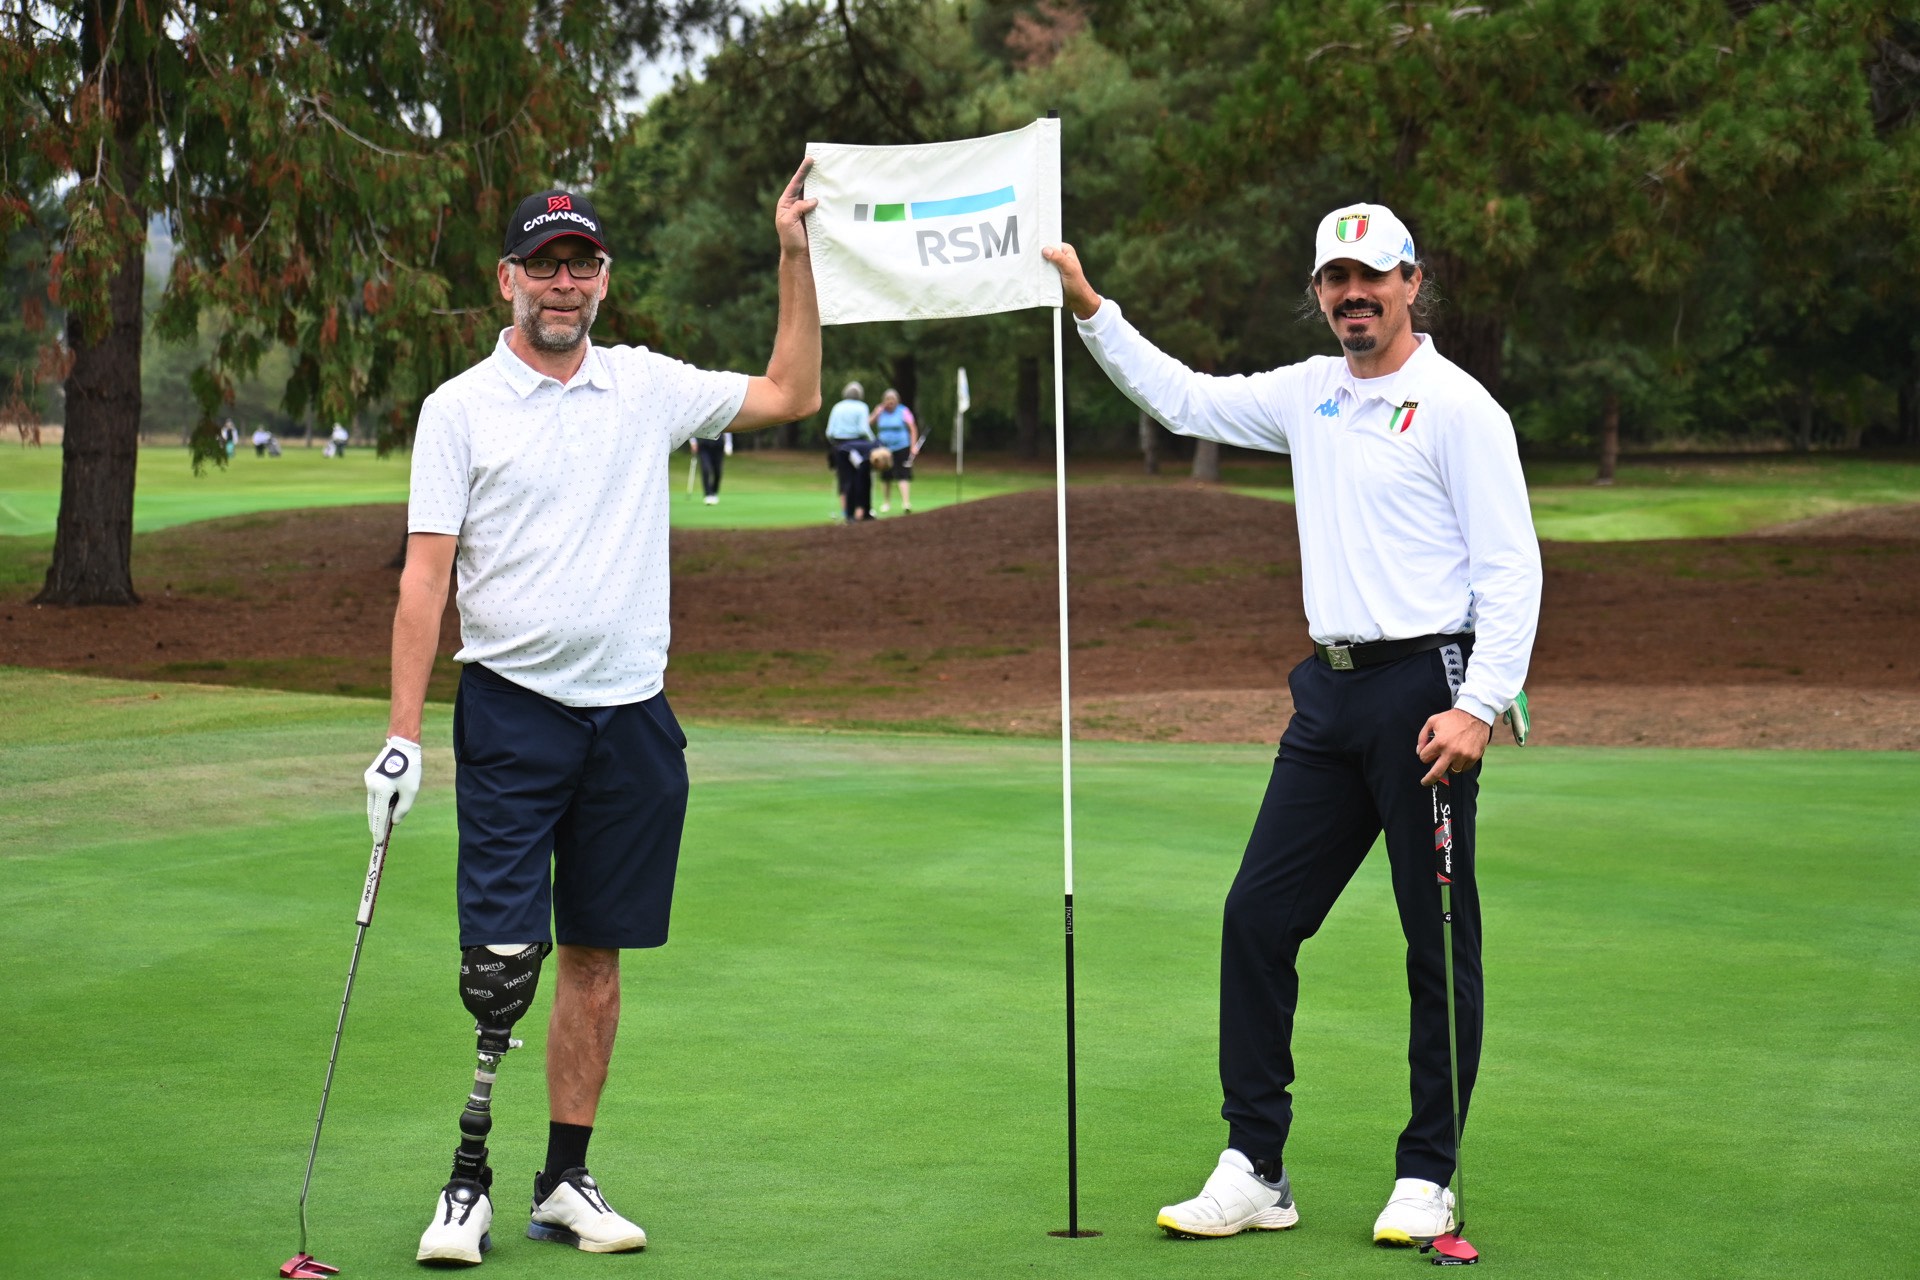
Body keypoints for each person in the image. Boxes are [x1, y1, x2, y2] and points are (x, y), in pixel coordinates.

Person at [1043, 205, 1541, 1248]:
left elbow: (1510, 568)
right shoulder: (1308, 394)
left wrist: (1480, 703)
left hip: (1428, 690)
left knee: (1437, 937)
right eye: (1334, 280)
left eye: (1370, 277)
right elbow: (1185, 398)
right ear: (1318, 293)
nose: (1352, 295)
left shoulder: (1457, 406)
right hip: (1330, 691)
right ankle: (1255, 1163)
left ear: (1411, 280)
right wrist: (1091, 309)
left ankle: (1428, 1172)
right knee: (1256, 917)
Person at [363, 164, 821, 1266]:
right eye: (545, 266)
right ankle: (464, 1182)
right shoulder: (459, 409)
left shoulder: (645, 386)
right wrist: (402, 732)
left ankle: (564, 1175)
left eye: (582, 265)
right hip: (514, 711)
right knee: (503, 957)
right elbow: (425, 579)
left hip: (634, 719)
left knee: (597, 954)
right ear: (507, 279)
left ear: (603, 280)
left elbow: (791, 392)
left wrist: (793, 255)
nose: (563, 285)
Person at [823, 380, 874, 522]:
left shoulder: (837, 407)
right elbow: (863, 429)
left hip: (840, 446)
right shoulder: (862, 407)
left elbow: (829, 432)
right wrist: (873, 442)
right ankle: (864, 511)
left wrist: (836, 445)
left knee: (846, 479)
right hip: (859, 445)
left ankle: (848, 514)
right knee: (863, 478)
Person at [868, 388, 919, 514]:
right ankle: (886, 503)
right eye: (887, 400)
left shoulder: (903, 411)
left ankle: (906, 502)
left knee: (903, 474)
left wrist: (913, 446)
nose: (890, 403)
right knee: (886, 476)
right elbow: (868, 423)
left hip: (901, 446)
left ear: (897, 401)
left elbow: (912, 428)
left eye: (892, 400)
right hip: (884, 449)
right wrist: (876, 412)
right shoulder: (880, 411)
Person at [689, 431, 730, 504]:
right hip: (704, 444)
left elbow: (727, 427)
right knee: (705, 468)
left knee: (717, 471)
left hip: (718, 444)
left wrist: (728, 444)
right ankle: (708, 494)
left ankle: (714, 493)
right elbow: (693, 426)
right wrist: (693, 442)